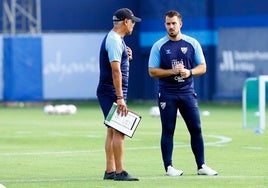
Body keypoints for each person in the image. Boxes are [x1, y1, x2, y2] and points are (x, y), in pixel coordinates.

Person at [148, 10, 218, 176]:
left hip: (187, 92)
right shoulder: (159, 46)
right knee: (168, 130)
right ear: (165, 25)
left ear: (180, 24)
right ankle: (169, 167)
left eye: (174, 23)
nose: (171, 27)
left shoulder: (192, 43)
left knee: (196, 128)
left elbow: (203, 67)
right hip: (167, 93)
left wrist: (190, 72)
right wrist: (173, 71)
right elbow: (152, 71)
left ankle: (201, 166)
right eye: (168, 23)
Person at [96, 8, 141, 181]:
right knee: (119, 131)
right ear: (125, 22)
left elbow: (117, 64)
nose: (134, 25)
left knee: (112, 131)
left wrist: (126, 56)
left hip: (110, 91)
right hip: (112, 92)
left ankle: (110, 170)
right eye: (132, 22)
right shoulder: (115, 40)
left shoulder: (116, 39)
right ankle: (120, 172)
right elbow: (115, 71)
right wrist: (120, 98)